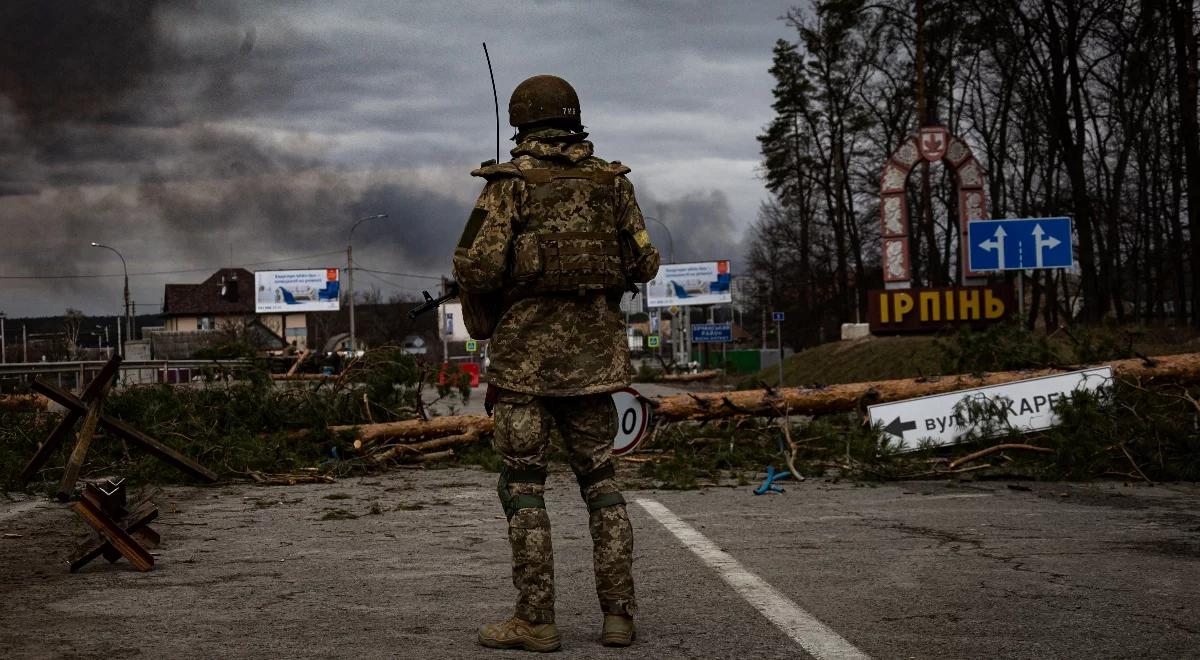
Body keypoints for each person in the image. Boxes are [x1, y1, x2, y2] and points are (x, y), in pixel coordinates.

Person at [453, 74, 660, 652]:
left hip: (523, 365)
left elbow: (476, 267)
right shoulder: (613, 184)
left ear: (522, 122)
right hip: (596, 362)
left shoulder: (509, 185)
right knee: (602, 483)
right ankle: (619, 615)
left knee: (523, 487)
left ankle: (536, 620)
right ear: (574, 119)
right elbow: (645, 262)